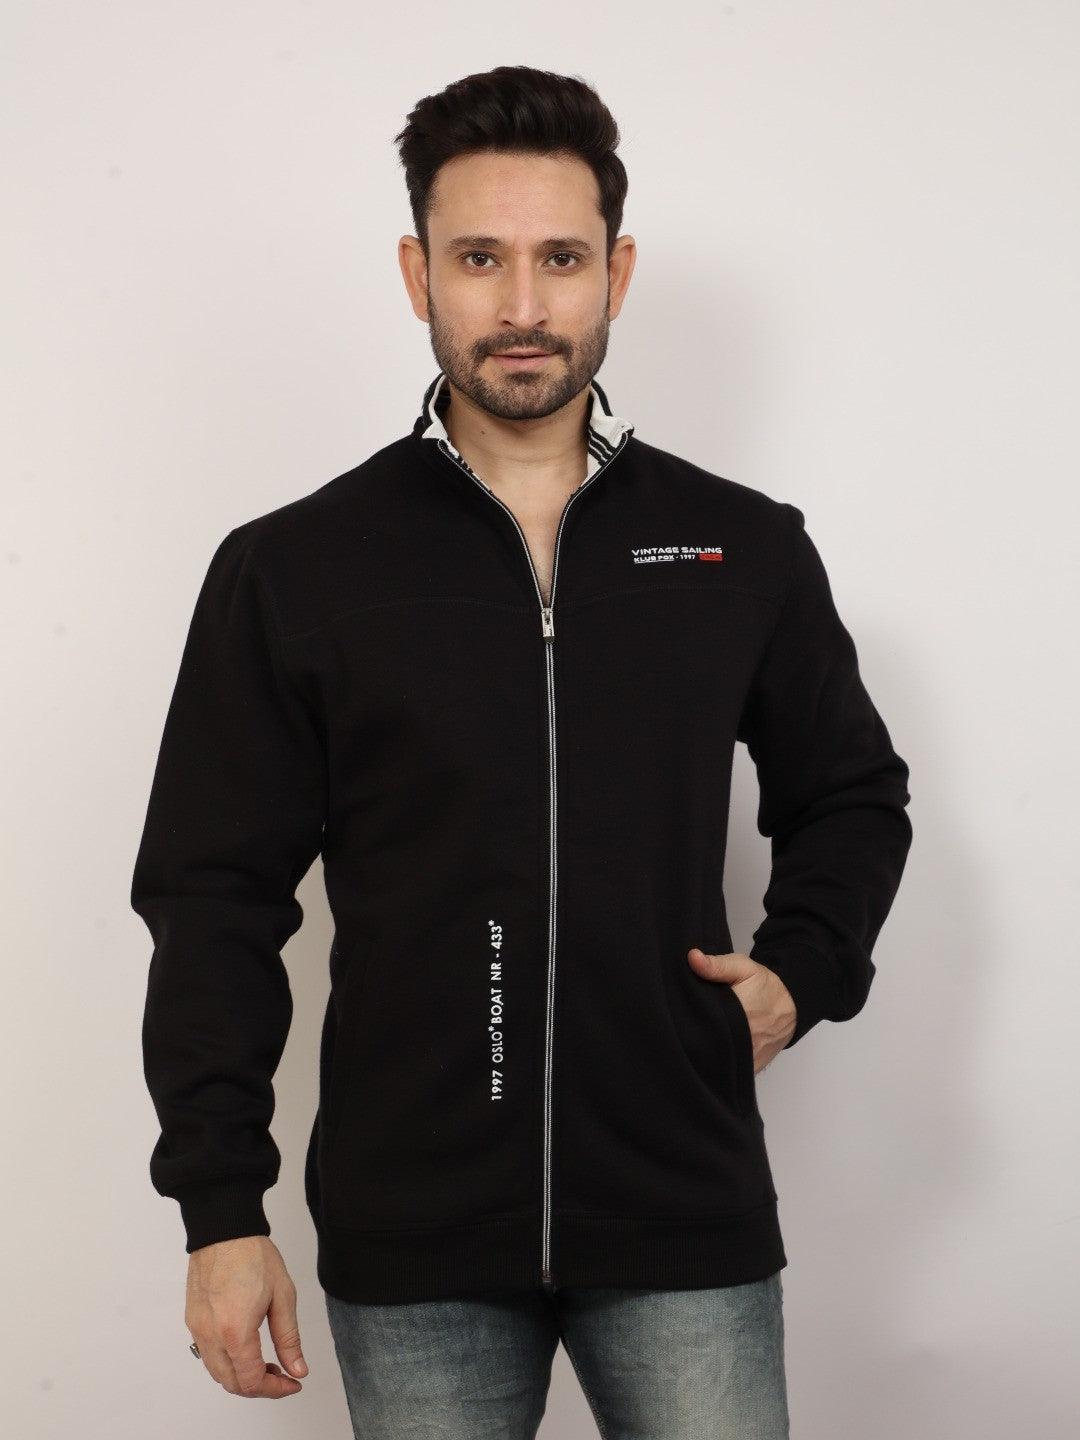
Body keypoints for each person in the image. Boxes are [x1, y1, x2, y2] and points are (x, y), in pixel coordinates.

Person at [130, 64, 913, 1438]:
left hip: (680, 1209)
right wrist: (220, 1210)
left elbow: (851, 793)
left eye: (560, 258)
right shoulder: (298, 568)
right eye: (479, 258)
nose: (524, 307)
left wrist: (806, 969)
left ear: (616, 272)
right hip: (414, 1229)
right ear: (416, 273)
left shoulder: (740, 548)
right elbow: (213, 897)